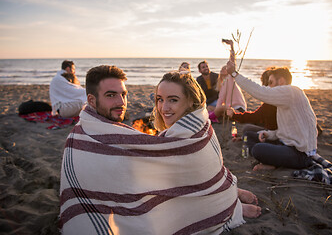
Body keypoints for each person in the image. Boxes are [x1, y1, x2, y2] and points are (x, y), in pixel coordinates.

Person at [59, 66, 260, 235]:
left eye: (123, 94)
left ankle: (223, 193)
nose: (121, 102)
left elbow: (188, 168)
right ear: (92, 101)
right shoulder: (79, 141)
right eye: (111, 95)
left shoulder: (198, 130)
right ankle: (223, 198)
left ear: (190, 100)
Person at [153, 72, 261, 222]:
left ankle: (231, 204)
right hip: (203, 184)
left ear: (190, 101)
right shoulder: (201, 120)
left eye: (173, 100)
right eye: (160, 99)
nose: (164, 107)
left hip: (204, 193)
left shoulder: (191, 132)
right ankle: (229, 190)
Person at [225, 42, 317, 171]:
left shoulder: (291, 92)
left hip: (300, 155)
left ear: (281, 82)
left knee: (258, 149)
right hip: (286, 145)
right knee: (250, 135)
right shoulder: (285, 101)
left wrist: (235, 74)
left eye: (271, 82)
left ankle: (273, 164)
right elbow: (286, 133)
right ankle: (272, 161)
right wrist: (269, 134)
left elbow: (261, 92)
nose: (269, 86)